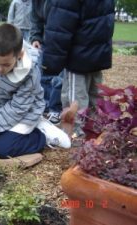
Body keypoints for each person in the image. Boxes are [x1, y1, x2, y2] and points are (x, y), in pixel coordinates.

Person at [0, 23, 71, 159]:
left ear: (19, 55)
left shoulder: (29, 73)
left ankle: (41, 135)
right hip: (3, 110)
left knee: (2, 150)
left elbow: (15, 111)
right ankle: (6, 135)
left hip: (25, 114)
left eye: (6, 64)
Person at [41, 0, 115, 138]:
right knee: (95, 93)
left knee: (75, 98)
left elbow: (60, 26)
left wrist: (50, 62)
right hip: (97, 52)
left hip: (78, 56)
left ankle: (77, 134)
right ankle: (93, 130)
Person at [29, 0, 62, 125]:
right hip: (45, 41)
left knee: (59, 79)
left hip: (62, 41)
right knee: (43, 76)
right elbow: (36, 19)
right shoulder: (36, 2)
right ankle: (45, 108)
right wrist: (35, 37)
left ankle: (56, 109)